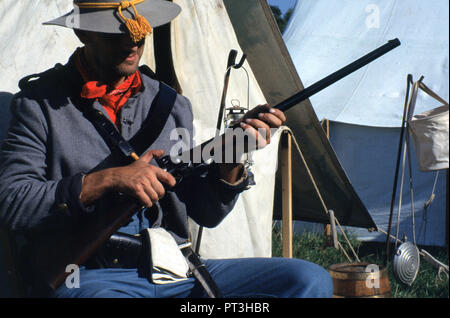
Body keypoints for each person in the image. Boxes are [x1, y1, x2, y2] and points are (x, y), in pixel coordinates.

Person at [0, 0, 332, 298]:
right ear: (85, 34)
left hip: (175, 268)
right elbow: (14, 202)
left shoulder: (171, 105)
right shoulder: (38, 104)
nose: (132, 43)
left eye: (139, 31)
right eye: (117, 33)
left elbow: (205, 212)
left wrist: (231, 156)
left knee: (307, 279)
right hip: (90, 275)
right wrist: (110, 179)